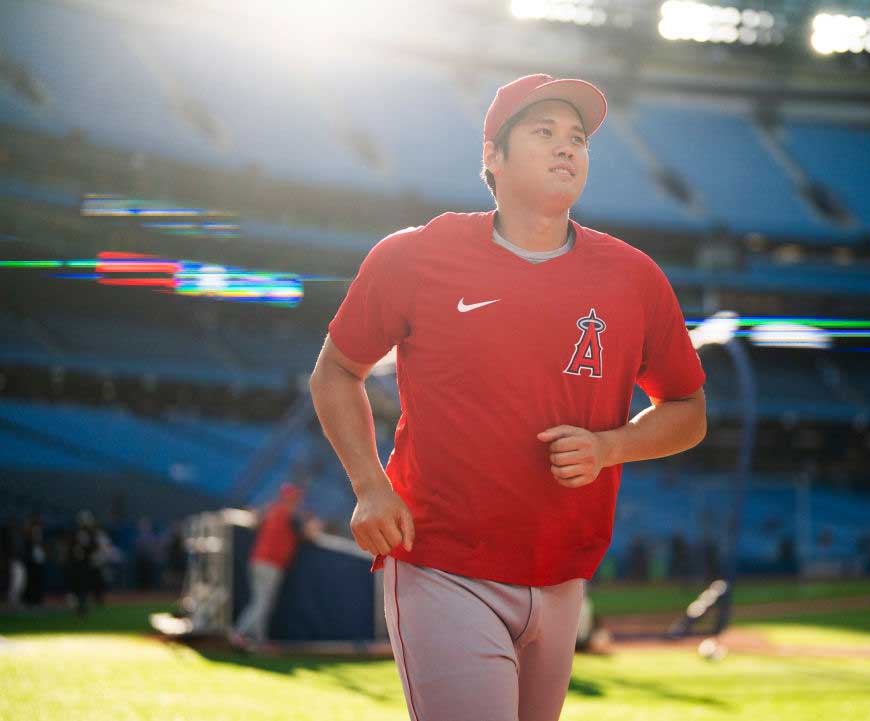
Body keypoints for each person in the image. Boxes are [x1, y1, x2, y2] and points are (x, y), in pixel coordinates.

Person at [309, 73, 707, 721]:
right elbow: (335, 371)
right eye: (543, 132)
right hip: (443, 565)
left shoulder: (634, 278)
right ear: (492, 157)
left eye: (577, 137)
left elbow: (689, 412)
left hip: (564, 579)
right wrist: (369, 483)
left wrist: (611, 446)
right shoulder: (415, 256)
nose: (567, 147)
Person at [229, 482, 321, 649]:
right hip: (270, 563)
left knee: (262, 601)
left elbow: (254, 519)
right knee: (262, 602)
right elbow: (311, 535)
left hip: (258, 561)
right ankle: (238, 633)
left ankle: (258, 639)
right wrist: (313, 521)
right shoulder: (291, 515)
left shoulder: (271, 509)